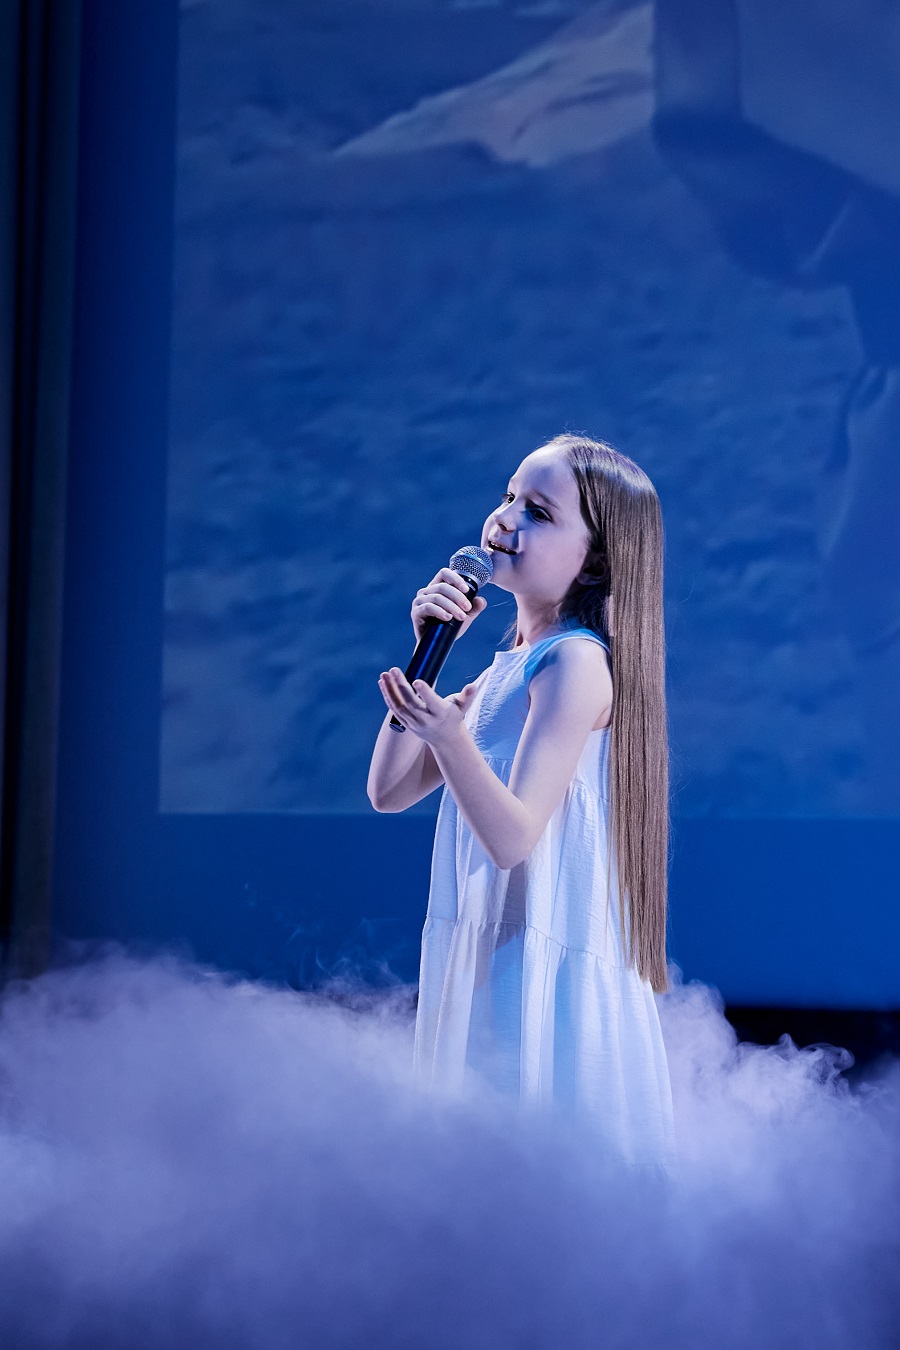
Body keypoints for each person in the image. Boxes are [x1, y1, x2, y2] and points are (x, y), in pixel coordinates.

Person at [367, 434, 677, 1171]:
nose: (504, 519)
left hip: (531, 971)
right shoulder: (502, 670)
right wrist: (427, 659)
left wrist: (450, 736)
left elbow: (513, 839)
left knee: (532, 1174)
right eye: (508, 497)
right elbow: (388, 791)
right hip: (486, 958)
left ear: (595, 560)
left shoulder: (576, 663)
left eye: (538, 511)